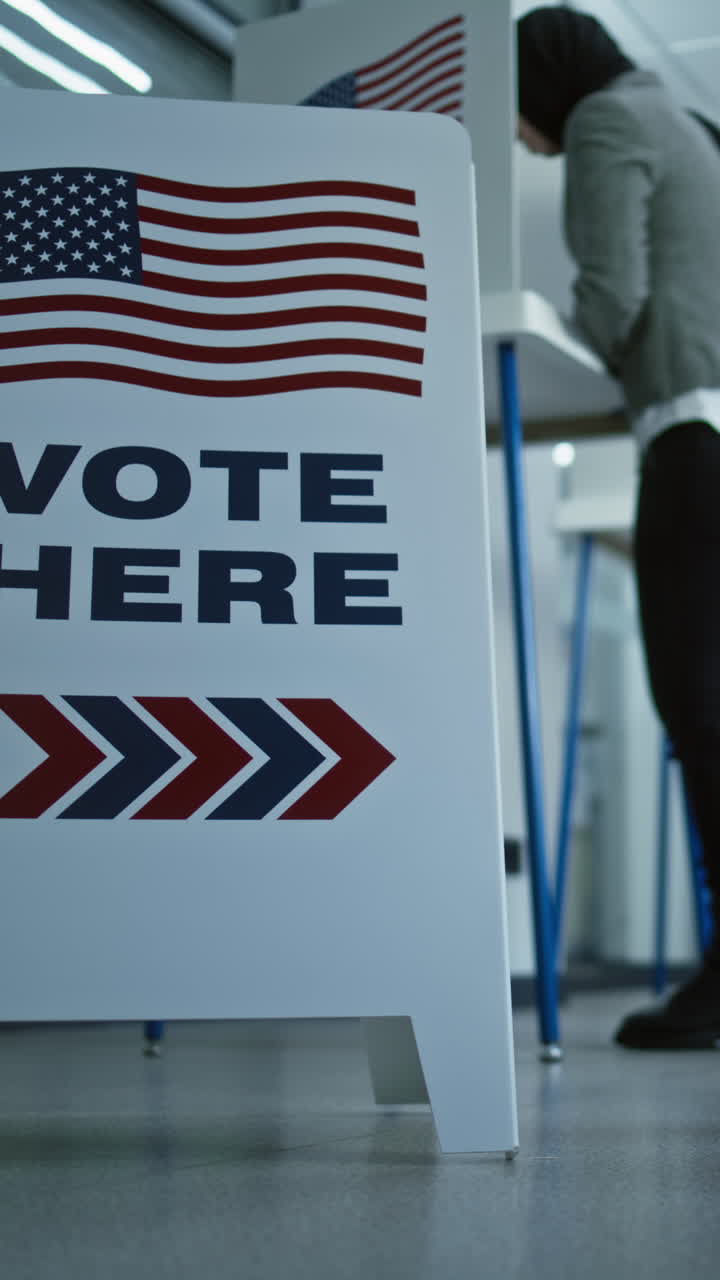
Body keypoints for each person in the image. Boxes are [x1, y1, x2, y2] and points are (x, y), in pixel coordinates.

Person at [515, 6, 720, 1049]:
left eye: (517, 114)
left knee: (697, 705)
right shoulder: (684, 118)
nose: (520, 137)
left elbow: (614, 293)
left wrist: (565, 334)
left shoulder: (604, 119)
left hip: (694, 446)